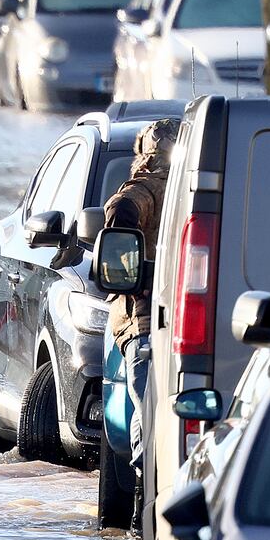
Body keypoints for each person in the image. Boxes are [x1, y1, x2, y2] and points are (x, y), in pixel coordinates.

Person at [102, 117, 178, 484]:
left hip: (146, 322)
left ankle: (144, 494)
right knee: (155, 409)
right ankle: (147, 495)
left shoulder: (146, 185)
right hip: (161, 321)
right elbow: (121, 212)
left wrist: (130, 277)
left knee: (149, 410)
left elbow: (119, 212)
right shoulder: (161, 187)